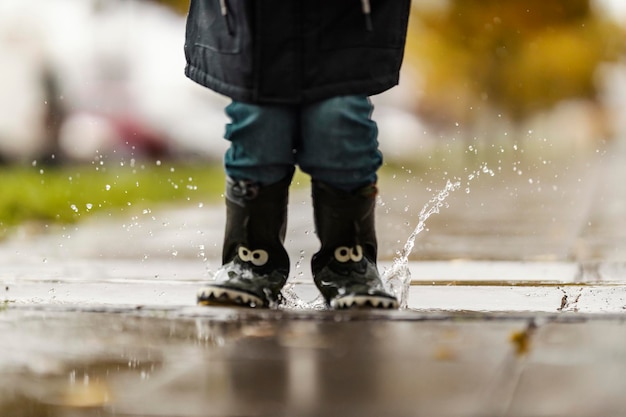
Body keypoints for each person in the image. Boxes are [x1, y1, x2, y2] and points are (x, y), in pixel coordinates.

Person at [184, 0, 412, 309]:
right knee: (259, 120)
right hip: (253, 19)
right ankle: (251, 259)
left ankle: (348, 261)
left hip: (347, 17)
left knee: (338, 119)